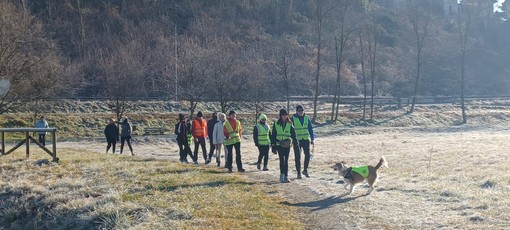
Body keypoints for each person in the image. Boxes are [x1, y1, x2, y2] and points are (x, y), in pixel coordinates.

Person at [270, 109, 298, 183]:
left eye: (286, 115)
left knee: (286, 160)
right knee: (282, 160)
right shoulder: (276, 123)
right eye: (283, 115)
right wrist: (273, 145)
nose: (284, 116)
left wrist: (295, 143)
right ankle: (281, 175)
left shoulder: (290, 124)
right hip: (279, 144)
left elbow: (293, 134)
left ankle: (286, 176)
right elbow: (273, 135)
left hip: (287, 144)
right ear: (280, 115)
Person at [291, 105, 315, 178]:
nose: (301, 112)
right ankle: (298, 173)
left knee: (307, 155)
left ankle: (305, 170)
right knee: (297, 157)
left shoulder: (307, 118)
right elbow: (290, 129)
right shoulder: (292, 119)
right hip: (297, 141)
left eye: (302, 110)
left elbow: (310, 129)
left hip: (305, 139)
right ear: (296, 111)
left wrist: (312, 138)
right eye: (299, 110)